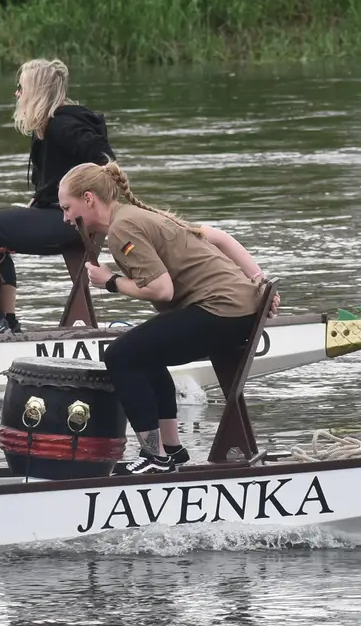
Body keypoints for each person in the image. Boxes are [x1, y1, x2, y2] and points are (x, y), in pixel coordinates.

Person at [57, 161, 276, 475]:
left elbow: (162, 290)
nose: (65, 217)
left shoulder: (122, 228)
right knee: (144, 356)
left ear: (89, 199)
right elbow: (215, 241)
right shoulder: (132, 218)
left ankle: (152, 456)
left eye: (67, 207)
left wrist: (110, 281)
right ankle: (170, 450)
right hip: (237, 310)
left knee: (121, 356)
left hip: (222, 311)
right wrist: (259, 281)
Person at [0, 59, 116, 336]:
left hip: (71, 223)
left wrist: (78, 202)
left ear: (36, 91)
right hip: (64, 217)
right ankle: (8, 320)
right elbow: (55, 180)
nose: (17, 94)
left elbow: (104, 160)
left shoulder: (62, 125)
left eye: (20, 88)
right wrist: (43, 199)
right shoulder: (48, 127)